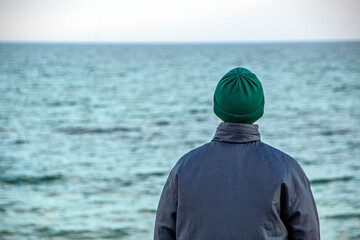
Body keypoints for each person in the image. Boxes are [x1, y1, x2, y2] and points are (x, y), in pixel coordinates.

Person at [153, 67, 320, 240]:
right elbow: (308, 233)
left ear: (217, 107)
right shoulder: (287, 169)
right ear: (259, 109)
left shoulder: (184, 168)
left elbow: (162, 233)